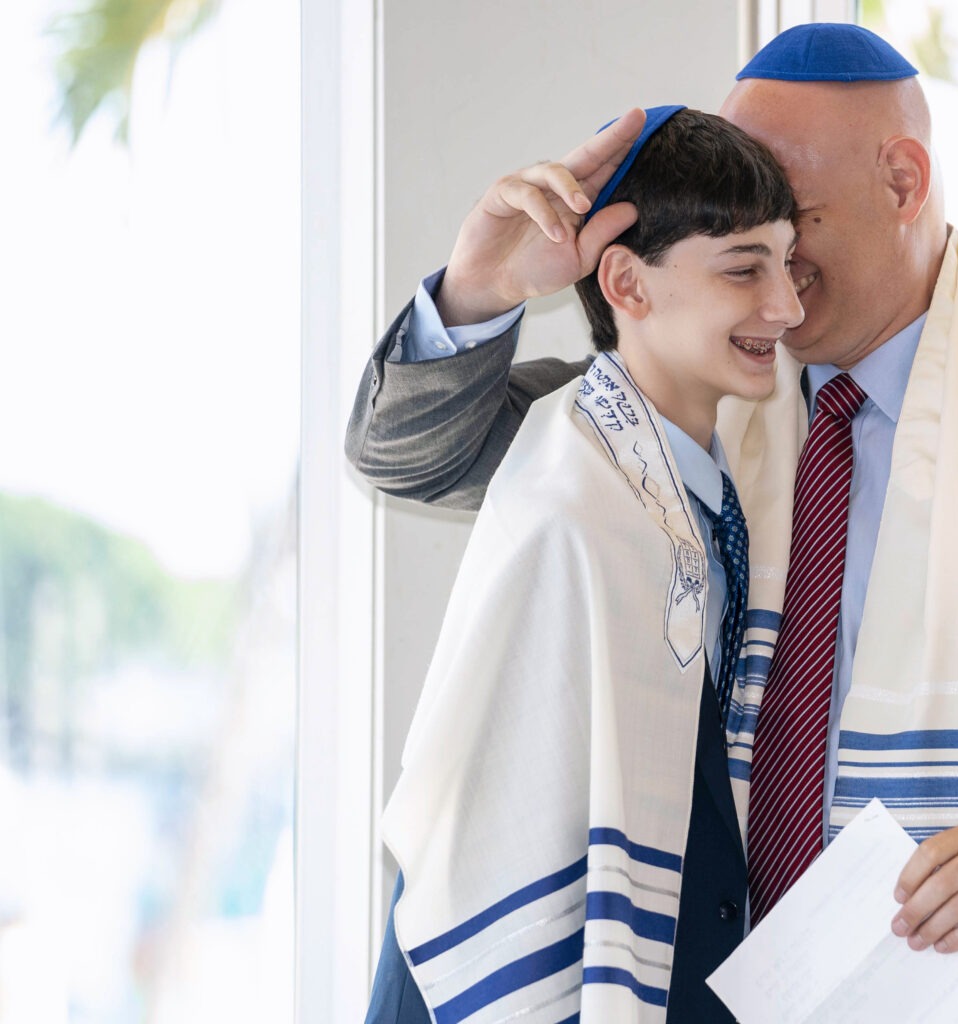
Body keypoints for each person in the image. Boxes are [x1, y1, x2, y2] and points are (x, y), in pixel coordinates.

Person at [348, 24, 958, 1024]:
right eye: (743, 240)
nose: (777, 275)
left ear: (902, 182)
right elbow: (405, 454)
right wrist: (485, 286)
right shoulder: (670, 403)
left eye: (792, 220)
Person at [362, 106, 802, 1024]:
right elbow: (398, 450)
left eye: (787, 263)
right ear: (627, 285)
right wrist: (482, 286)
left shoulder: (752, 457)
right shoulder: (562, 474)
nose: (786, 307)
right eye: (744, 269)